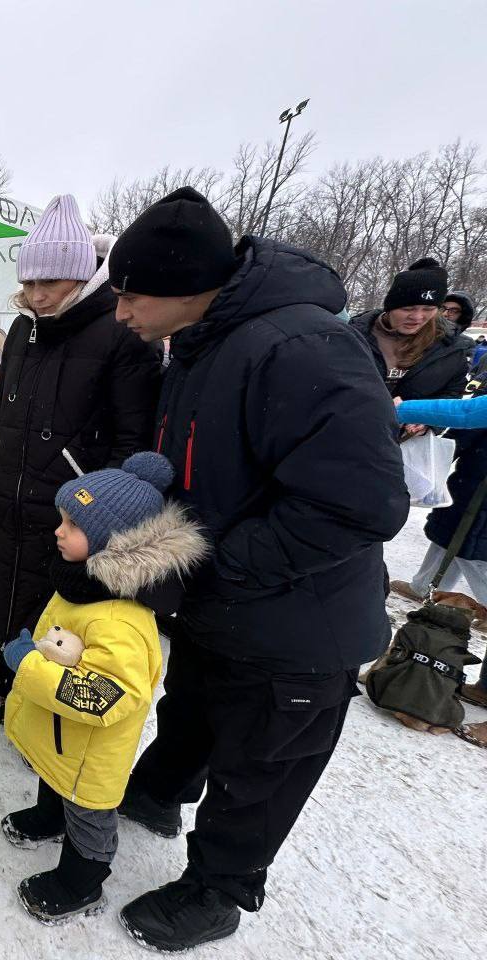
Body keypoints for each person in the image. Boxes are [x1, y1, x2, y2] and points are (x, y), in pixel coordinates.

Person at [107, 187, 409, 950]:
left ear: (186, 287)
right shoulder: (201, 344)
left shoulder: (304, 347)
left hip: (296, 625)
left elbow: (360, 505)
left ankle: (218, 890)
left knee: (262, 764)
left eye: (131, 296)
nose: (120, 313)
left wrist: (219, 561)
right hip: (225, 607)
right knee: (195, 705)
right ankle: (160, 791)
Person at [0, 195, 161, 723]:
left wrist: (101, 514)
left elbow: (134, 434)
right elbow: (1, 401)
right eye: (29, 283)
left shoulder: (121, 334)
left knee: (54, 613)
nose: (35, 295)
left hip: (70, 506)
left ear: (81, 276)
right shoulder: (20, 329)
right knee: (2, 592)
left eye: (48, 284)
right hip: (10, 493)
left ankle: (41, 711)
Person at [0, 452, 207, 925]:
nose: (58, 530)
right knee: (52, 777)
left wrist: (29, 665)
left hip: (89, 754)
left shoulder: (123, 621)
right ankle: (48, 818)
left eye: (72, 524)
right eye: (62, 519)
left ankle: (82, 881)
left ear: (112, 544)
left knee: (88, 815)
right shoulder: (81, 583)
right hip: (58, 738)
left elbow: (102, 696)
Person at [391, 392, 487, 710]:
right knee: (452, 538)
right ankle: (424, 588)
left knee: (471, 550)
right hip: (473, 495)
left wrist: (402, 408)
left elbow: (469, 411)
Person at [351, 259, 472, 409]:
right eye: (408, 308)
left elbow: (453, 392)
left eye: (428, 309)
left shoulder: (452, 347)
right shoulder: (353, 334)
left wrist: (427, 420)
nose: (417, 317)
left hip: (407, 432)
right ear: (390, 307)